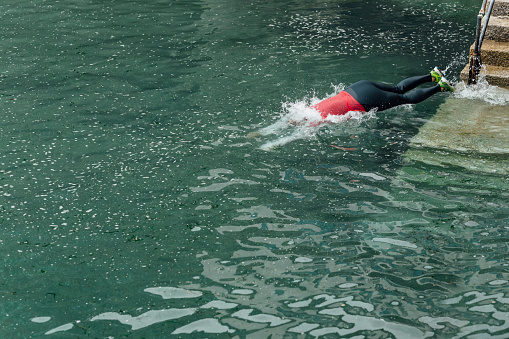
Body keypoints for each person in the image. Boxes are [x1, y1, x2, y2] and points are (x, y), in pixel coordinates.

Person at [310, 67, 454, 120]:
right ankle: (431, 75)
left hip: (362, 99)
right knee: (398, 88)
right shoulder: (312, 108)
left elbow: (346, 117)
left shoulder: (317, 120)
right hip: (356, 88)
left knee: (404, 99)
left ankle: (440, 86)